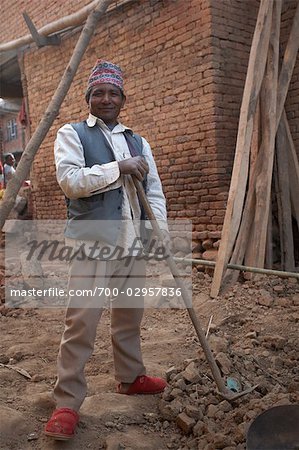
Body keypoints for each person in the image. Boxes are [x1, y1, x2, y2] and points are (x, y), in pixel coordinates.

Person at [44, 60, 168, 440]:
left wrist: (159, 233)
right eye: (98, 93)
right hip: (92, 242)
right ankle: (67, 401)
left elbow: (154, 192)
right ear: (89, 98)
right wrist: (119, 167)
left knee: (129, 314)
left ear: (122, 99)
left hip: (132, 240)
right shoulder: (72, 134)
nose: (106, 99)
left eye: (113, 93)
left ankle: (130, 378)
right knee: (82, 320)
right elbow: (71, 182)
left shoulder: (139, 141)